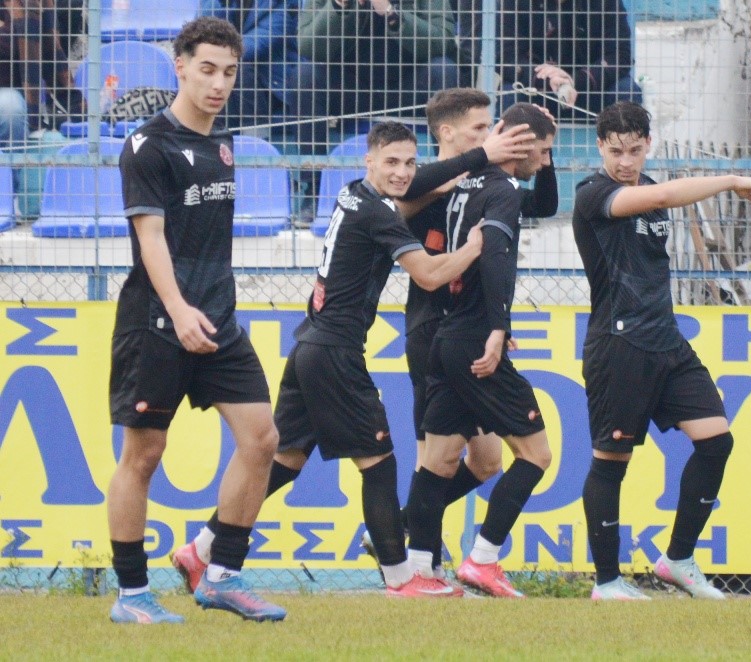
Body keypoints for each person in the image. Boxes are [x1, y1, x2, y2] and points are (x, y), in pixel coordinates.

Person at [174, 120, 485, 598]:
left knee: (285, 461)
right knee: (378, 464)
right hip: (336, 352)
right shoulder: (378, 212)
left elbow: (395, 209)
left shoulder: (353, 194)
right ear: (369, 160)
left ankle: (202, 547)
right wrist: (473, 248)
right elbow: (427, 274)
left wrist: (432, 188)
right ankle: (401, 577)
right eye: (391, 162)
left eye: (410, 163)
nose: (402, 172)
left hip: (310, 346)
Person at [107, 16, 287, 624]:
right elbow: (151, 238)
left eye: (229, 72)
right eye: (207, 69)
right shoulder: (148, 146)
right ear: (180, 66)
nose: (218, 83)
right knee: (144, 455)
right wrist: (179, 308)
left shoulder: (223, 146)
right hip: (158, 323)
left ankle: (222, 574)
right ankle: (132, 595)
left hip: (218, 322)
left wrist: (205, 310)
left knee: (262, 439)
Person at [572, 101, 751, 600]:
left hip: (666, 341)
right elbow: (664, 195)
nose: (625, 162)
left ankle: (678, 559)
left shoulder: (650, 187)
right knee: (611, 460)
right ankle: (607, 582)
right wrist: (730, 180)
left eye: (634, 151)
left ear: (647, 146)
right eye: (615, 151)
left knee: (716, 441)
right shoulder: (594, 194)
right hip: (620, 343)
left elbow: (659, 198)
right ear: (600, 148)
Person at [379, 87, 558, 579]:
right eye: (480, 128)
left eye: (490, 127)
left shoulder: (480, 183)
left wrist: (543, 150)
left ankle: (404, 529)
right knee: (434, 455)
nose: (490, 136)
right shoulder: (426, 183)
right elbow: (406, 193)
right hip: (430, 329)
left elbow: (541, 204)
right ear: (447, 132)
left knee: (484, 463)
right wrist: (485, 155)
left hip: (462, 329)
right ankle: (425, 562)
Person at [286, 0, 460, 226]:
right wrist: (340, 7)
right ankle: (313, 190)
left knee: (444, 70)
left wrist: (391, 13)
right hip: (349, 87)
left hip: (407, 85)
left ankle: (446, 187)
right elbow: (308, 46)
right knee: (305, 76)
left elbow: (443, 40)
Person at [458, 0, 641, 118]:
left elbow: (620, 55)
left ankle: (625, 163)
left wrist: (575, 80)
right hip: (537, 89)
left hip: (590, 89)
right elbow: (505, 56)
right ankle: (507, 167)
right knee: (511, 96)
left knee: (627, 91)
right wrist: (546, 77)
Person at [1, 0, 85, 218]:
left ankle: (9, 194)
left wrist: (75, 105)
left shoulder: (28, 4)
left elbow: (50, 53)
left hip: (6, 92)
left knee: (11, 109)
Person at [198, 0, 299, 140]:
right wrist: (219, 3)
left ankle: (255, 139)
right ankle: (216, 138)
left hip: (271, 87)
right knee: (211, 70)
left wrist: (217, 53)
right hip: (231, 85)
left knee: (235, 68)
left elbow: (259, 42)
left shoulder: (282, 3)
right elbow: (202, 32)